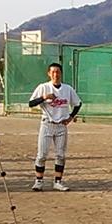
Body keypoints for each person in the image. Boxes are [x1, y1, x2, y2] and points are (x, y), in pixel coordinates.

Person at [28, 62, 81, 192]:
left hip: (61, 125)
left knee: (61, 155)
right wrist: (44, 97)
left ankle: (58, 181)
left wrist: (70, 117)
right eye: (52, 72)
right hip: (47, 124)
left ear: (61, 73)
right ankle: (38, 181)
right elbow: (31, 103)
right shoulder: (43, 87)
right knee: (42, 155)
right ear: (49, 73)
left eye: (57, 72)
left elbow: (78, 103)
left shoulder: (67, 89)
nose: (55, 74)